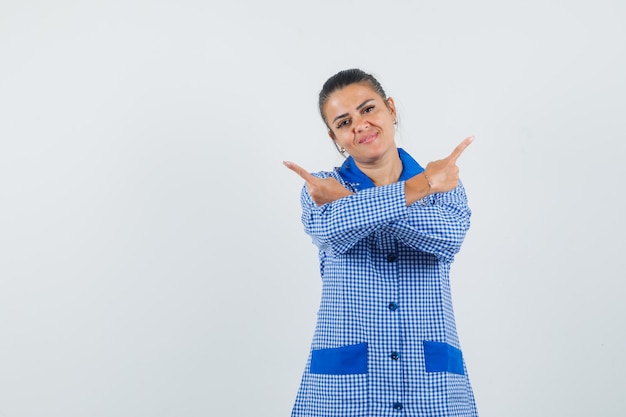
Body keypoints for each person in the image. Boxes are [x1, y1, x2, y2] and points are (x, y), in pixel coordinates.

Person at [283, 68, 478, 417]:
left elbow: (448, 237)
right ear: (335, 137)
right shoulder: (320, 187)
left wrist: (352, 202)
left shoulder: (445, 187)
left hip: (429, 383)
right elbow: (332, 230)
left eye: (368, 109)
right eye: (343, 122)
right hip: (346, 390)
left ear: (390, 109)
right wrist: (421, 186)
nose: (359, 125)